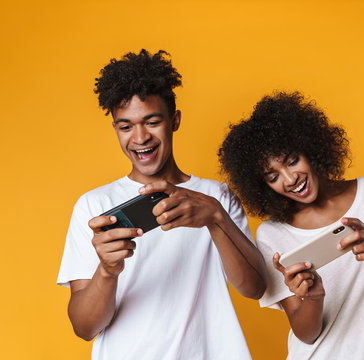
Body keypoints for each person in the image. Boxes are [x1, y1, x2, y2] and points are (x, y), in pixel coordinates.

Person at [57, 49, 267, 360]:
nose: (140, 137)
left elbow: (255, 288)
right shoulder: (94, 205)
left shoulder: (216, 197)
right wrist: (108, 270)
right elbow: (84, 327)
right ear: (115, 128)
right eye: (126, 126)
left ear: (175, 120)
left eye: (152, 121)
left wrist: (215, 218)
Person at [218, 91, 364, 359]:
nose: (290, 179)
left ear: (311, 148)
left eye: (292, 161)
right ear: (262, 185)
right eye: (273, 176)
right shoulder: (272, 235)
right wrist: (313, 297)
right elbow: (307, 334)